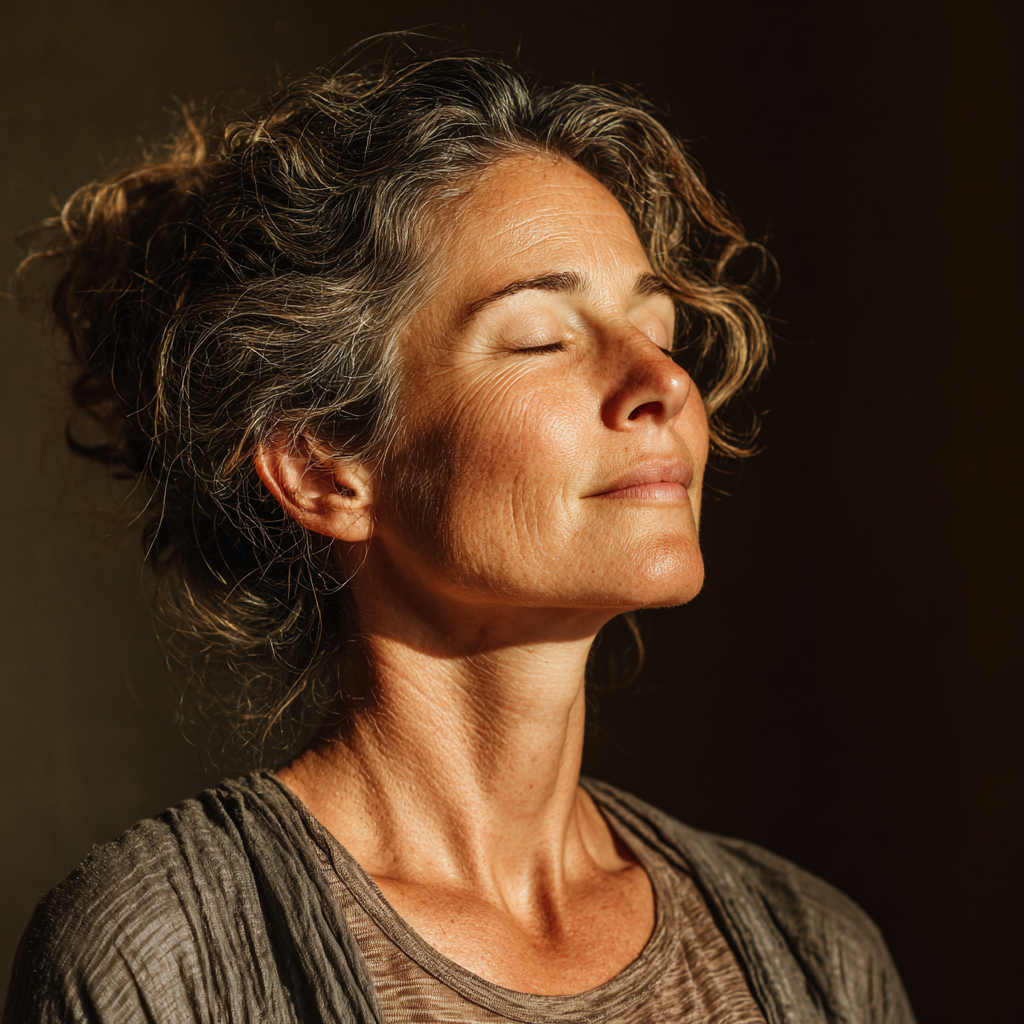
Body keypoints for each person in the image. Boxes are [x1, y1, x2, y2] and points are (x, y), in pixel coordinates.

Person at [4, 44, 915, 1024]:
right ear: (324, 468)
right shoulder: (170, 959)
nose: (665, 384)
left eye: (658, 332)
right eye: (541, 338)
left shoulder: (813, 953)